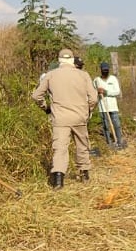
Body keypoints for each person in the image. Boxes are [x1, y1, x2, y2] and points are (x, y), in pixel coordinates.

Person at [32, 48, 98, 189]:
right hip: (80, 117)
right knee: (82, 145)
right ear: (72, 60)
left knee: (60, 149)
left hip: (60, 119)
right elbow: (93, 98)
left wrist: (46, 108)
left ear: (59, 60)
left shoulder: (51, 75)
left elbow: (36, 96)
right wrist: (88, 111)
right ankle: (84, 174)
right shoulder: (83, 75)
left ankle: (58, 181)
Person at [93, 62, 126, 148]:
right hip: (103, 107)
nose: (105, 72)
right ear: (101, 70)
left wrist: (106, 92)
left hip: (113, 106)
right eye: (104, 70)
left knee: (117, 125)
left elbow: (117, 92)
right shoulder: (96, 80)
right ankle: (109, 143)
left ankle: (119, 141)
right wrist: (97, 91)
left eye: (106, 70)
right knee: (105, 126)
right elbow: (92, 92)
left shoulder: (113, 79)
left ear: (109, 70)